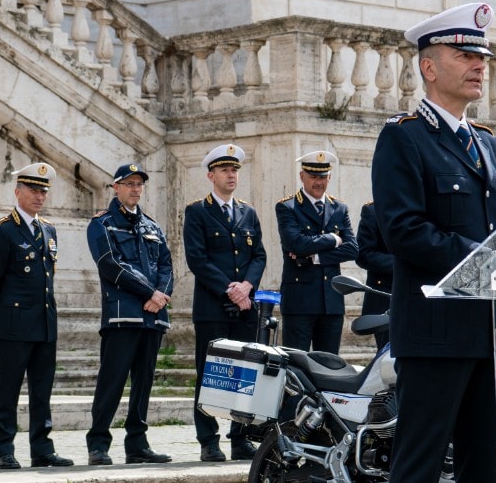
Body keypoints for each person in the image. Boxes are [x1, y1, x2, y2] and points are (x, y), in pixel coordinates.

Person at [370, 2, 496, 483]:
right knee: (419, 466)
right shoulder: (404, 138)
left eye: (482, 56)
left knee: (484, 472)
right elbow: (403, 230)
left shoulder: (487, 145)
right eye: (465, 55)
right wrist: (483, 257)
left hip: (486, 331)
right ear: (429, 67)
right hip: (432, 331)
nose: (479, 65)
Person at [0, 163, 72, 469]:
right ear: (18, 192)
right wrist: (1, 317)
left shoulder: (49, 230)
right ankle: (4, 448)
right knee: (8, 389)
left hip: (44, 323)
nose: (39, 196)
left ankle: (42, 448)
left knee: (42, 391)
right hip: (14, 325)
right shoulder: (4, 229)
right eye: (33, 190)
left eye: (43, 191)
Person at [84, 163, 174, 466]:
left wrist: (160, 295)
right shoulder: (102, 224)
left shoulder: (152, 226)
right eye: (129, 183)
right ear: (116, 188)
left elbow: (166, 265)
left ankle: (137, 443)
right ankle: (98, 443)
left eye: (139, 184)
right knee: (112, 382)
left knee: (143, 383)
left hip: (153, 316)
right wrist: (150, 293)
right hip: (123, 316)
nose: (135, 189)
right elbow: (109, 264)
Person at [183, 144, 266, 462]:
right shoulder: (197, 211)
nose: (231, 175)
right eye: (224, 170)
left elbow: (259, 255)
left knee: (243, 374)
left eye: (234, 170)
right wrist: (230, 289)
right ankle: (208, 439)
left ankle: (240, 437)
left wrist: (247, 286)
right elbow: (197, 259)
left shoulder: (248, 212)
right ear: (211, 175)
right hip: (212, 307)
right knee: (209, 373)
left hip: (244, 306)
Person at [275, 151, 358, 353]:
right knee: (296, 363)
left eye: (323, 177)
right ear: (301, 176)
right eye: (313, 176)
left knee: (329, 363)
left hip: (331, 301)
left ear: (329, 177)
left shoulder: (339, 208)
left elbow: (352, 249)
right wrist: (332, 239)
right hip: (300, 302)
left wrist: (316, 257)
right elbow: (297, 244)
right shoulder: (288, 207)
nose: (318, 182)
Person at [354, 201, 392, 352]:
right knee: (388, 356)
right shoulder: (373, 211)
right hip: (386, 297)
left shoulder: (423, 208)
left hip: (420, 296)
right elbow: (364, 255)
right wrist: (403, 265)